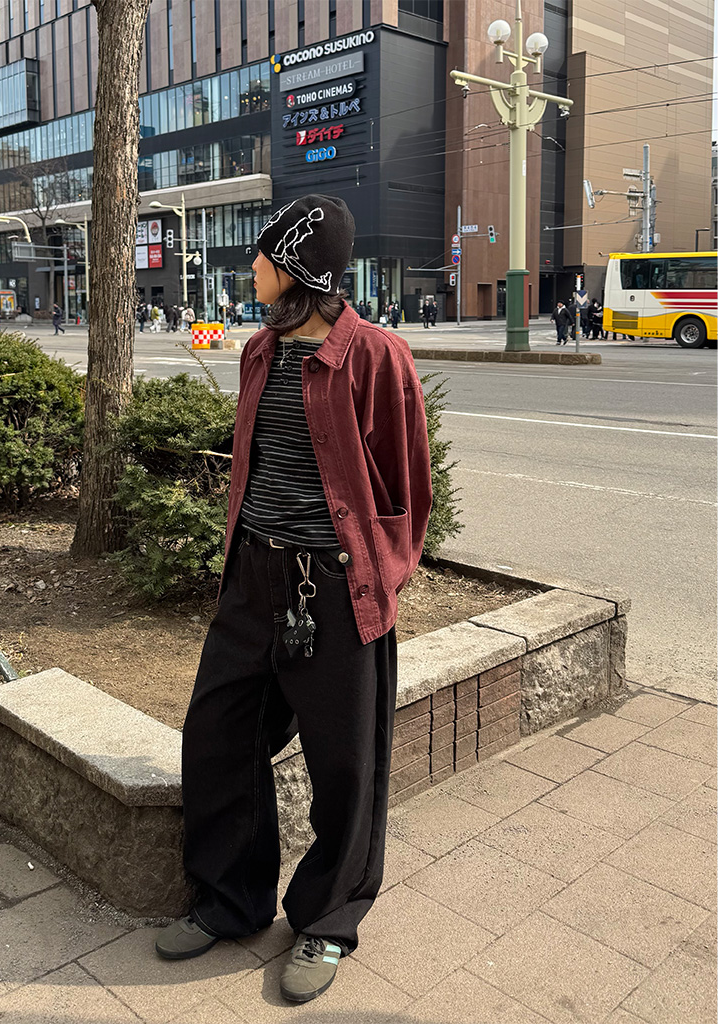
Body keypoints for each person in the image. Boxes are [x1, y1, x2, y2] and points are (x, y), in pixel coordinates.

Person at [154, 194, 433, 1004]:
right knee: (218, 734)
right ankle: (230, 900)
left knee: (345, 764)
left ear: (299, 269)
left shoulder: (375, 357)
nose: (251, 268)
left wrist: (378, 576)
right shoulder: (259, 350)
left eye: (264, 256)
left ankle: (327, 919)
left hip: (337, 587)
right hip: (254, 578)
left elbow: (407, 488)